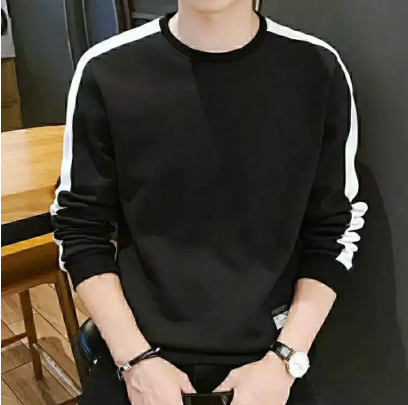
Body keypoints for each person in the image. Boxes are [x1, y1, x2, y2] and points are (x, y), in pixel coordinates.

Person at [51, 1, 368, 404]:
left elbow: (334, 229)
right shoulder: (106, 69)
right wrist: (134, 360)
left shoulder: (318, 69)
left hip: (270, 362)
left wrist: (285, 360)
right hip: (138, 359)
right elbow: (79, 226)